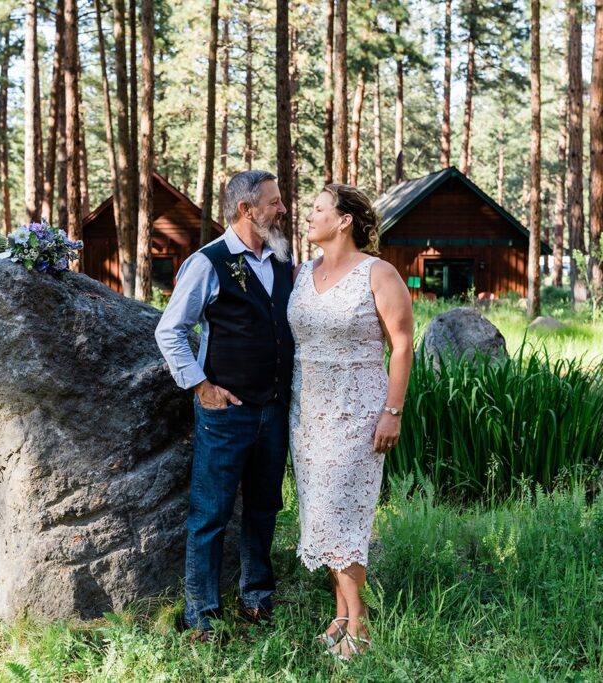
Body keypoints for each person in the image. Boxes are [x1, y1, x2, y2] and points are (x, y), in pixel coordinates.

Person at [154, 169, 293, 641]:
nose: (282, 209)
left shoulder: (280, 261)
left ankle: (256, 595)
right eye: (274, 202)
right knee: (210, 513)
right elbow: (170, 330)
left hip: (273, 411)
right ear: (246, 210)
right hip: (225, 413)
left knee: (263, 507)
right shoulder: (207, 262)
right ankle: (202, 613)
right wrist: (201, 386)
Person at [287, 183, 413, 659]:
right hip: (307, 412)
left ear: (344, 221)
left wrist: (392, 412)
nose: (308, 216)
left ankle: (357, 625)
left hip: (358, 412)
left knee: (344, 517)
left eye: (317, 209)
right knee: (320, 515)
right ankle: (339, 616)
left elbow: (401, 345)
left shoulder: (378, 274)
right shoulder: (303, 273)